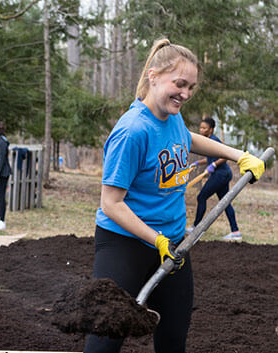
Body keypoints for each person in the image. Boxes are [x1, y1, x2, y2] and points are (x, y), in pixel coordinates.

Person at [83, 38, 265, 353]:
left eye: (191, 87)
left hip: (174, 243)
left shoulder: (171, 116)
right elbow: (111, 204)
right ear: (153, 76)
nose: (186, 93)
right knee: (106, 340)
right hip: (125, 243)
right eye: (179, 84)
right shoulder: (132, 132)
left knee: (173, 336)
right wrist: (157, 241)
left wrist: (239, 155)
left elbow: (186, 138)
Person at [186, 117, 242, 241]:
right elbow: (210, 159)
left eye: (204, 128)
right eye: (200, 128)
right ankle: (235, 231)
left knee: (201, 197)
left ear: (211, 129)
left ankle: (196, 228)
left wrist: (214, 165)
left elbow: (224, 157)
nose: (201, 130)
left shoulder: (214, 140)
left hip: (221, 174)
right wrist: (198, 163)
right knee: (225, 202)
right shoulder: (208, 140)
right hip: (222, 174)